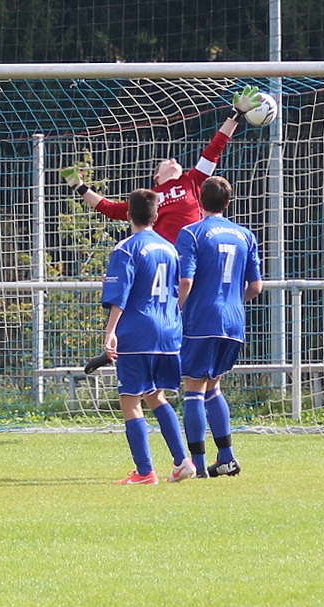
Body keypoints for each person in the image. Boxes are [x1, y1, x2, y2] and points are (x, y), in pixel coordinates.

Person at [63, 85, 263, 373]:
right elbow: (108, 207)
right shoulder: (150, 200)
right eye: (165, 162)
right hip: (170, 273)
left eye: (175, 160)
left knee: (199, 363)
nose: (172, 160)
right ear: (157, 176)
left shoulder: (193, 181)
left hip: (197, 270)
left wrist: (236, 115)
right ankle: (125, 351)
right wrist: (80, 186)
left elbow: (215, 147)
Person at [101, 189, 196, 485]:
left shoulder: (126, 249)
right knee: (156, 395)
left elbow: (120, 295)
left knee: (130, 399)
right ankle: (182, 461)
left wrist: (110, 331)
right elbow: (182, 284)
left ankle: (145, 472)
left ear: (128, 214)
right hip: (168, 331)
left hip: (138, 330)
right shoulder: (169, 248)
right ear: (157, 216)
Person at [176, 176, 262, 477]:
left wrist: (177, 309)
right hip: (234, 321)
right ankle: (226, 458)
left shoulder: (192, 233)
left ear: (200, 199)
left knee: (193, 390)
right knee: (214, 386)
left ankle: (198, 466)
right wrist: (232, 302)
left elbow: (186, 280)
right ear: (228, 202)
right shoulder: (245, 235)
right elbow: (256, 287)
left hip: (202, 319)